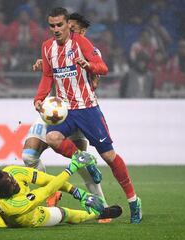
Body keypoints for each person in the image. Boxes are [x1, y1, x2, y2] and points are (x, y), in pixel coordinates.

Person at [34, 7, 142, 223]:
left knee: (110, 157)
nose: (56, 29)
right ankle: (84, 160)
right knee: (52, 139)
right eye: (52, 26)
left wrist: (88, 64)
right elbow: (47, 76)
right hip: (65, 110)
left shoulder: (81, 43)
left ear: (67, 25)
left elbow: (103, 68)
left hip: (88, 109)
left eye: (60, 25)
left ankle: (133, 200)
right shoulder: (47, 48)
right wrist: (39, 98)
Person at [25, 12, 108, 223]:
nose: (66, 31)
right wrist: (44, 68)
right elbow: (50, 72)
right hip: (55, 109)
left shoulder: (88, 49)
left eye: (73, 28)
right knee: (28, 155)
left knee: (80, 161)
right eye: (60, 26)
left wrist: (87, 72)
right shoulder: (50, 47)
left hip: (80, 110)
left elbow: (95, 80)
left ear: (82, 32)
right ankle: (51, 191)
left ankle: (102, 206)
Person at [0, 151, 123, 228]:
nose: (13, 181)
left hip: (14, 209)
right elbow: (49, 188)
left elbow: (46, 179)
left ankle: (93, 210)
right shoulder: (13, 205)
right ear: (1, 193)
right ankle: (97, 215)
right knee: (65, 214)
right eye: (8, 183)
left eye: (9, 177)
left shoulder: (12, 171)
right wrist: (72, 168)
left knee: (53, 190)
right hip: (31, 218)